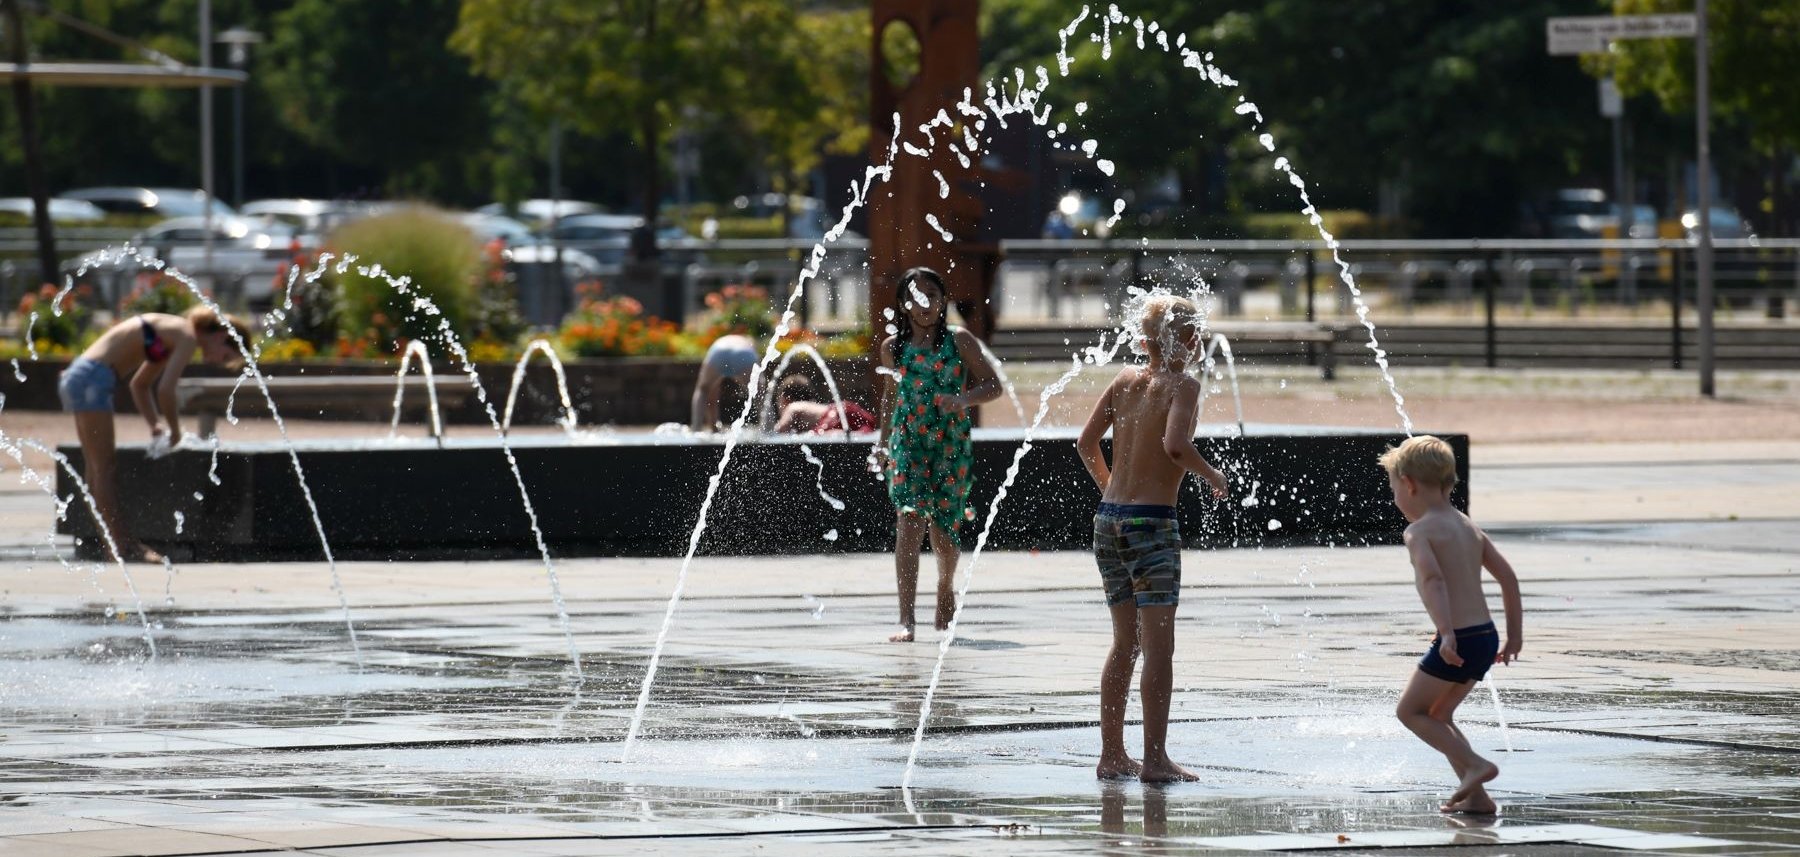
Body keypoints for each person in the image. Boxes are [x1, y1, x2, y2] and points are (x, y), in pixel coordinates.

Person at [1074, 293, 1228, 783]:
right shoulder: (1183, 386)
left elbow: (1084, 443)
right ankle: (1156, 759)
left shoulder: (1123, 380)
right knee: (1159, 649)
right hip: (1152, 525)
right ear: (1186, 340)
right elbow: (1176, 446)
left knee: (1124, 644)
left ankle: (1112, 755)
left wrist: (1112, 490)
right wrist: (1213, 475)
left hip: (1108, 521)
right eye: (1197, 333)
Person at [1380, 435, 1523, 815]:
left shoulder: (1419, 532)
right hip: (1484, 635)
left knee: (1410, 713)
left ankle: (1477, 766)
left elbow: (1433, 581)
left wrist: (1445, 631)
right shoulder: (1467, 526)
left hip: (1457, 638)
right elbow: (1508, 578)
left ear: (1409, 484)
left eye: (1394, 487)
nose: (1396, 496)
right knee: (1439, 715)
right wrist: (1514, 637)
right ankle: (1476, 797)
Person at [58, 306, 249, 563]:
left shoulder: (169, 332)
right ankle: (122, 548)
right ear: (222, 335)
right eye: (226, 355)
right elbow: (167, 390)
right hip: (93, 379)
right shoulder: (187, 336)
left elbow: (140, 385)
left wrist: (155, 426)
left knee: (96, 471)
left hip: (80, 376)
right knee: (104, 469)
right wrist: (176, 432)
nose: (217, 361)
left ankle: (117, 544)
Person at [875, 267, 1001, 643]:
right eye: (916, 295)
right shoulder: (893, 347)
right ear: (903, 304)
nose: (924, 302)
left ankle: (945, 586)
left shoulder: (959, 341)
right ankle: (906, 619)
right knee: (909, 523)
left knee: (943, 532)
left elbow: (993, 384)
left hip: (950, 445)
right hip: (909, 445)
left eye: (932, 294)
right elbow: (889, 399)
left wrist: (963, 399)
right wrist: (882, 443)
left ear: (943, 300)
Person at [690, 333, 759, 432]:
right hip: (744, 354)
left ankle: (696, 428)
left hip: (718, 352)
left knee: (703, 390)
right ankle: (768, 430)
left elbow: (711, 398)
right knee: (760, 394)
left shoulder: (725, 340)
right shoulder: (748, 344)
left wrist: (714, 428)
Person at [772, 374, 876, 435]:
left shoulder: (793, 406)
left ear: (786, 400)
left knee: (817, 436)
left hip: (833, 417)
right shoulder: (812, 408)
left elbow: (779, 431)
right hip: (845, 409)